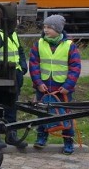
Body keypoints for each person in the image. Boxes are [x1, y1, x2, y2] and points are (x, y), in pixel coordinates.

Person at [29, 14, 82, 154]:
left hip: (62, 89)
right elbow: (34, 65)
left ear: (58, 29)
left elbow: (75, 67)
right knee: (42, 114)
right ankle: (41, 137)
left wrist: (68, 86)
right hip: (44, 87)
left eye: (50, 28)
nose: (46, 30)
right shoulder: (39, 44)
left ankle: (68, 141)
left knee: (65, 115)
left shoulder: (69, 46)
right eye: (45, 27)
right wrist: (38, 83)